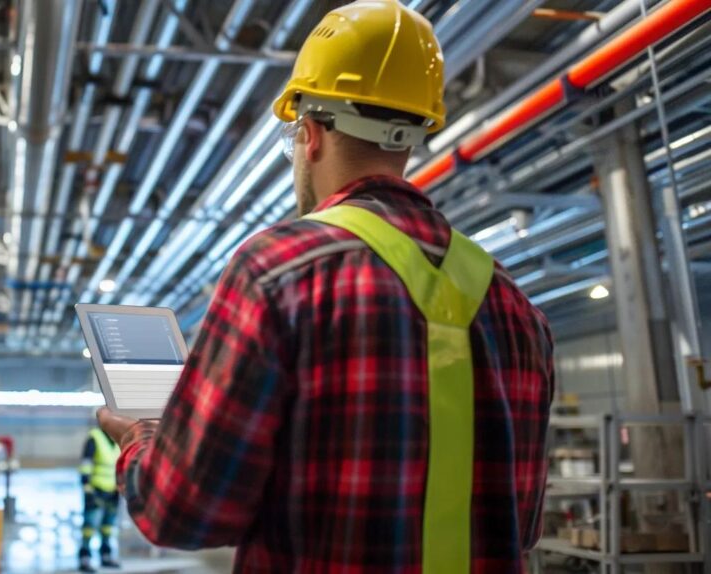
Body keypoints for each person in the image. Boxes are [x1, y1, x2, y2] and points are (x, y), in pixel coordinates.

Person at [98, 1, 555, 571]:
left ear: (310, 135)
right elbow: (524, 523)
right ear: (411, 136)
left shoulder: (277, 272)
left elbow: (183, 512)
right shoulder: (516, 309)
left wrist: (139, 434)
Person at [78, 427, 121, 572]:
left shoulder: (116, 439)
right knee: (89, 526)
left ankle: (106, 556)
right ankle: (85, 558)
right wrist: (86, 487)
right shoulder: (94, 437)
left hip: (112, 489)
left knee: (108, 526)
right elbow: (86, 463)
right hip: (95, 489)